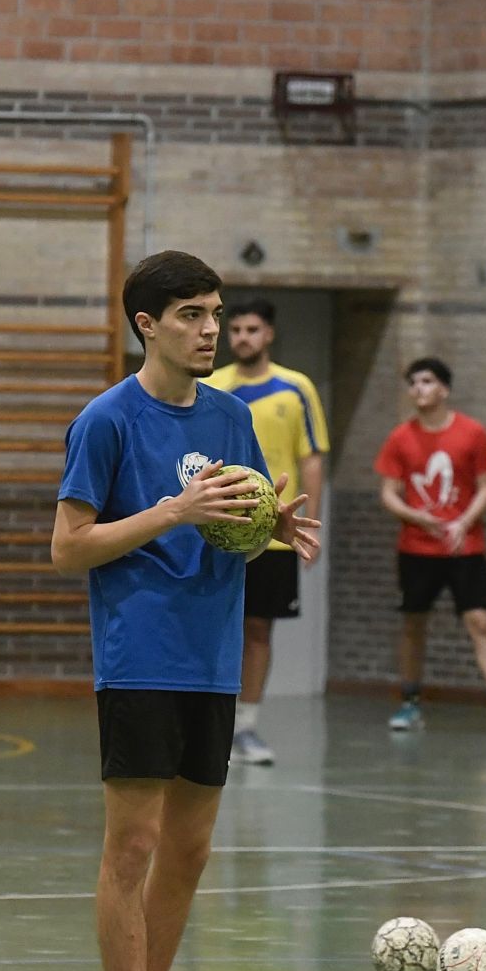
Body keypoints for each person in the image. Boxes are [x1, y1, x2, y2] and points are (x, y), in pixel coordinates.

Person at [55, 250, 318, 971]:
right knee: (130, 847)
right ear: (147, 324)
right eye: (193, 316)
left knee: (191, 850)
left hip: (211, 662)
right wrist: (173, 510)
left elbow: (231, 515)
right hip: (140, 655)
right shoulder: (107, 420)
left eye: (216, 313)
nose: (211, 330)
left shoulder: (234, 415)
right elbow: (69, 545)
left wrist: (265, 524)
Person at [374, 357, 486, 734]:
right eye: (413, 383)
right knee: (414, 622)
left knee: (480, 620)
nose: (418, 389)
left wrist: (463, 521)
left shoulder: (472, 433)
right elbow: (389, 494)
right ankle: (410, 703)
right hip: (416, 549)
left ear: (444, 388)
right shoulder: (400, 438)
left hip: (465, 548)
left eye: (426, 381)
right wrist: (418, 516)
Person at [205, 298, 330, 764]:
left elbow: (311, 457)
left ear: (269, 334)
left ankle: (247, 728)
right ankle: (210, 724)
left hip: (274, 534)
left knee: (258, 629)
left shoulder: (296, 389)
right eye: (234, 329)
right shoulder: (212, 387)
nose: (241, 337)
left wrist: (307, 524)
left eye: (251, 329)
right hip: (221, 529)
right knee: (214, 627)